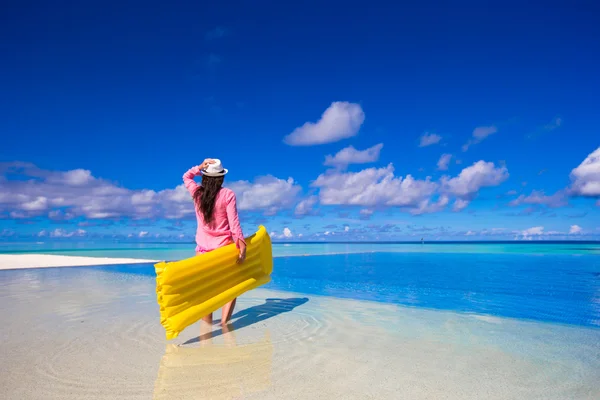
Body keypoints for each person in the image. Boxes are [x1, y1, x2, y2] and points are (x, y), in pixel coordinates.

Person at [183, 158, 247, 326]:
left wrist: (199, 166)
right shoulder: (228, 195)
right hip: (224, 250)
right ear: (221, 178)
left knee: (206, 291)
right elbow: (234, 224)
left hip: (202, 251)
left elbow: (186, 177)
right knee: (231, 288)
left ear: (204, 177)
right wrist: (242, 246)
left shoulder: (197, 194)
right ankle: (225, 324)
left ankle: (207, 328)